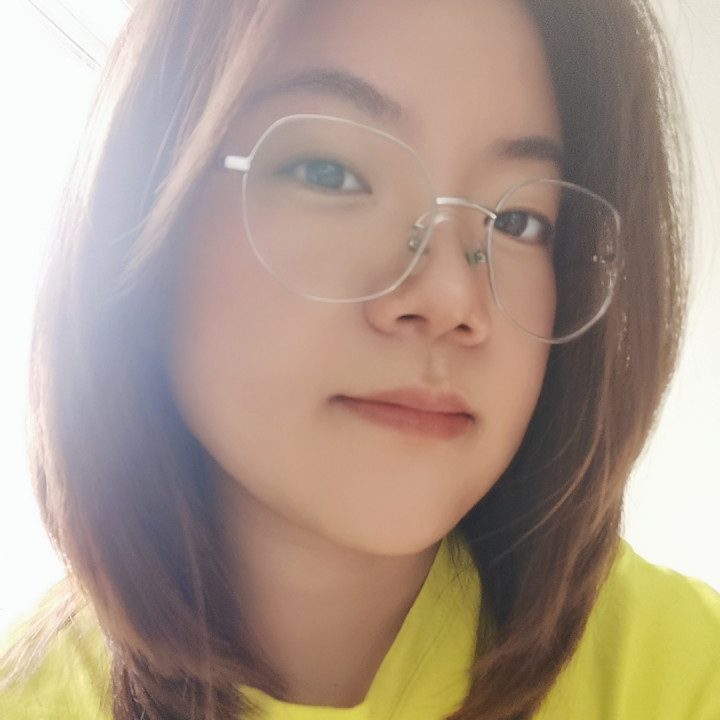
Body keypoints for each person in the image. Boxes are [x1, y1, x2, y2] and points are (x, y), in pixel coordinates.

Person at [1, 0, 719, 718]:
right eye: (330, 172)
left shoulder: (684, 670)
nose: (451, 296)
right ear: (148, 204)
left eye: (517, 220)